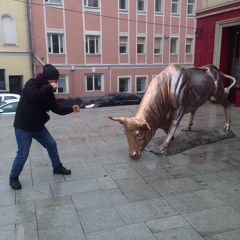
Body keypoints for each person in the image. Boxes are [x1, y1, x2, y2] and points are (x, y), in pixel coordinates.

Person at [9, 64, 80, 190]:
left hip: (38, 127)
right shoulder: (31, 84)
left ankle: (57, 167)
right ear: (47, 79)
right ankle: (13, 177)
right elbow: (35, 96)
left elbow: (55, 108)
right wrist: (49, 87)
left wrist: (71, 109)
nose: (56, 83)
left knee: (51, 144)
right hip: (23, 127)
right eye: (54, 80)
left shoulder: (47, 91)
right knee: (23, 154)